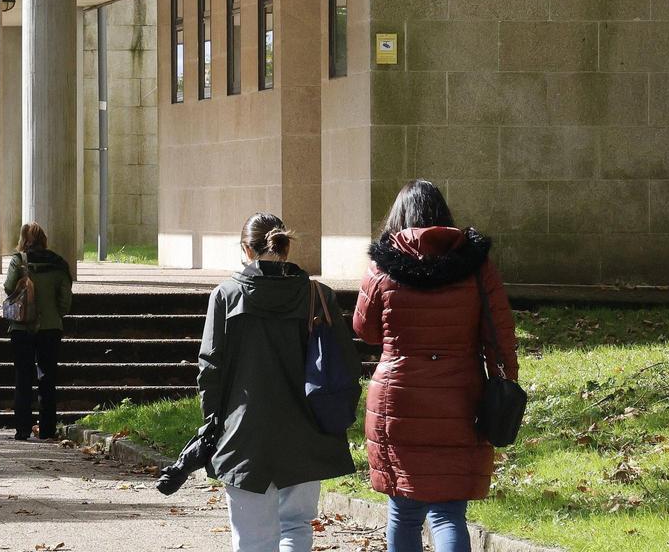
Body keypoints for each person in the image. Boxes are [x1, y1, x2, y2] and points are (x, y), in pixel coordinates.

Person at [354, 180, 519, 552]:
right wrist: (506, 384)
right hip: (460, 399)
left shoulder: (382, 266)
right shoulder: (477, 267)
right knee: (448, 515)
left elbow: (364, 329)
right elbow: (500, 336)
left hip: (398, 399)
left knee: (404, 512)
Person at [199, 212, 359, 552]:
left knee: (252, 539)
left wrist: (212, 423)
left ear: (246, 248)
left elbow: (210, 367)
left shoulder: (226, 295)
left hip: (243, 433)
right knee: (297, 527)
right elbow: (345, 364)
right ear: (285, 248)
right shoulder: (319, 296)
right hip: (306, 429)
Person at [2, 222, 72, 441]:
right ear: (44, 239)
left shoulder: (19, 261)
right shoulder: (59, 264)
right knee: (48, 378)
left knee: (23, 377)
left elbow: (8, 287)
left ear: (24, 240)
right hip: (50, 327)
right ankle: (47, 429)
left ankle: (22, 429)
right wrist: (55, 313)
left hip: (22, 326)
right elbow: (65, 300)